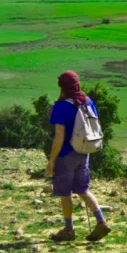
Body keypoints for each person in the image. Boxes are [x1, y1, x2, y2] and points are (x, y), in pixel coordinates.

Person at [47, 71, 112, 243]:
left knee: (65, 193)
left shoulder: (60, 107)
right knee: (83, 189)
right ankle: (100, 221)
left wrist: (52, 160)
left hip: (66, 154)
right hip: (84, 152)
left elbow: (59, 136)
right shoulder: (87, 101)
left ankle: (69, 229)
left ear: (62, 87)